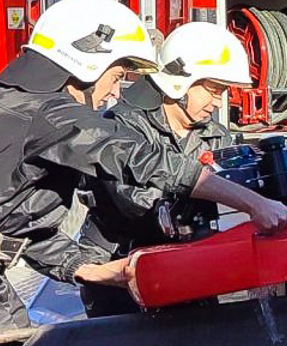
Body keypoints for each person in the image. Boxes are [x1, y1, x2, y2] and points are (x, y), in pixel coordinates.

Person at [0, 0, 287, 346]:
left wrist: (98, 270)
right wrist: (252, 202)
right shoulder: (44, 113)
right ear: (87, 61)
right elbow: (138, 159)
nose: (114, 93)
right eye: (115, 77)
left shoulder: (14, 109)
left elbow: (19, 231)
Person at [77, 21, 252, 316]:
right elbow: (136, 201)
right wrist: (205, 195)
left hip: (188, 267)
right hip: (119, 270)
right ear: (180, 83)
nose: (217, 100)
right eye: (212, 89)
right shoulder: (123, 125)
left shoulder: (216, 136)